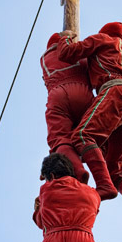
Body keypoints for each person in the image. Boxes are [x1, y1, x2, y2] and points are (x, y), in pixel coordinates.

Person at [57, 22, 122, 238]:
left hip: (115, 92)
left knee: (82, 135)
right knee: (117, 169)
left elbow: (67, 54)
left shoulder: (102, 39)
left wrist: (66, 37)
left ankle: (104, 186)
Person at [40, 32, 93, 183]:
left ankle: (78, 170)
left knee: (60, 139)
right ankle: (105, 174)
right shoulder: (79, 53)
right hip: (84, 93)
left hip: (58, 95)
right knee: (94, 132)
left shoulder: (45, 59)